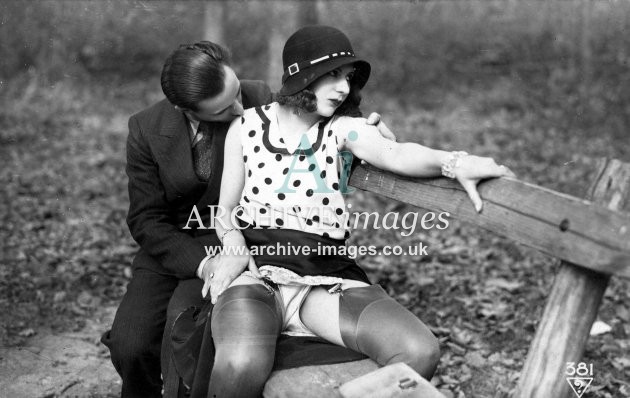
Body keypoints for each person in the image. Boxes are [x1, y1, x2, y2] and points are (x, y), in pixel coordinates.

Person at [184, 25, 514, 397]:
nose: (343, 87)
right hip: (256, 277)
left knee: (419, 350)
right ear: (302, 74)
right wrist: (234, 248)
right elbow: (225, 209)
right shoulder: (245, 127)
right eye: (332, 75)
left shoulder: (345, 130)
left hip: (323, 282)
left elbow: (396, 153)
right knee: (239, 365)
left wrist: (456, 162)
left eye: (348, 77)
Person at [101, 40, 393, 397]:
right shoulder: (146, 129)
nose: (240, 108)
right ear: (185, 110)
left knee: (191, 335)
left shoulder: (262, 95)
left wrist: (369, 126)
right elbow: (146, 220)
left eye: (237, 92)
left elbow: (320, 113)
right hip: (175, 248)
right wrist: (206, 264)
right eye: (223, 109)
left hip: (251, 243)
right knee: (130, 346)